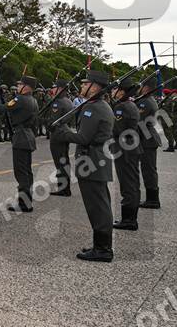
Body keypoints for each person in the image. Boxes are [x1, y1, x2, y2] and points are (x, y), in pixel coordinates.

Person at [52, 70, 115, 262]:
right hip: (95, 159)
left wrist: (62, 133)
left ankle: (103, 250)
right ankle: (101, 245)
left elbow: (84, 138)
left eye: (85, 83)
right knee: (99, 204)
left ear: (95, 87)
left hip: (92, 161)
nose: (82, 86)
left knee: (98, 206)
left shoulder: (94, 108)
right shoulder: (98, 105)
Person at [110, 78, 142, 231]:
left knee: (128, 185)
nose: (112, 91)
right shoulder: (131, 104)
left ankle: (129, 220)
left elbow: (117, 129)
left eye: (114, 89)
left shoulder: (121, 107)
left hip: (125, 150)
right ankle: (130, 218)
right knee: (132, 184)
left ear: (121, 91)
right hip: (131, 148)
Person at [6, 75, 39, 212]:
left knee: (21, 172)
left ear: (26, 87)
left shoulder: (20, 99)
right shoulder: (33, 100)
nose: (18, 87)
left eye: (20, 85)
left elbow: (3, 108)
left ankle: (24, 204)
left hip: (21, 137)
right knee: (27, 171)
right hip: (28, 136)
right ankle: (27, 201)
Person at [138, 76, 163, 209]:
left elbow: (138, 120)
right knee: (149, 169)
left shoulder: (145, 102)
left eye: (141, 85)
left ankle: (153, 200)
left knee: (148, 170)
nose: (139, 87)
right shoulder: (148, 99)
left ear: (146, 88)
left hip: (147, 138)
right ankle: (152, 198)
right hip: (148, 136)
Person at [47, 79, 74, 196]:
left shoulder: (57, 102)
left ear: (60, 89)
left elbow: (53, 121)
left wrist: (46, 124)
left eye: (54, 87)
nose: (52, 89)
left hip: (57, 133)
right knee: (64, 160)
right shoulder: (68, 101)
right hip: (65, 130)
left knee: (60, 162)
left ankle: (64, 189)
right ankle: (65, 187)